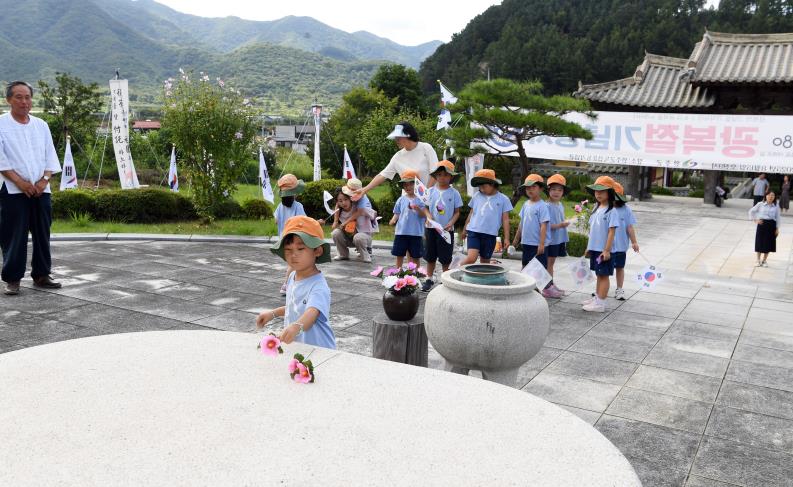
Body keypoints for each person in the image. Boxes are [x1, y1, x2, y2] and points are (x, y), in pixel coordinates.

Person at [0, 81, 62, 295]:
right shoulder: (1, 124)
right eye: (18, 97)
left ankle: (42, 274)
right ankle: (13, 279)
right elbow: (1, 159)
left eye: (27, 97)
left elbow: (50, 155)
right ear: (9, 99)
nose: (24, 101)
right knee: (13, 234)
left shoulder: (41, 125)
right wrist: (20, 182)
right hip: (12, 189)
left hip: (41, 189)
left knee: (42, 232)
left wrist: (44, 180)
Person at [256, 216, 336, 349]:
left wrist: (296, 326)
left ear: (317, 250)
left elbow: (311, 313)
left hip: (319, 348)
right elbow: (295, 307)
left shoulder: (318, 286)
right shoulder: (293, 276)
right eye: (288, 250)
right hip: (300, 347)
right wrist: (272, 313)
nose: (294, 255)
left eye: (300, 249)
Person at [355, 122, 438, 199]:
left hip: (431, 198)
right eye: (395, 137)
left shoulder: (426, 148)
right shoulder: (397, 157)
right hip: (409, 201)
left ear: (408, 135)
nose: (396, 140)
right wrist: (364, 189)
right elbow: (382, 175)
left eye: (398, 137)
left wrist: (425, 194)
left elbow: (435, 172)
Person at [422, 160, 463, 292]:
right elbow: (425, 208)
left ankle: (444, 279)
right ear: (435, 176)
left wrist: (451, 222)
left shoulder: (454, 193)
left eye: (445, 174)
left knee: (445, 257)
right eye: (439, 174)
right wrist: (428, 216)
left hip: (446, 230)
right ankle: (429, 278)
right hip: (431, 229)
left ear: (451, 177)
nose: (442, 177)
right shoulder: (429, 191)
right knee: (430, 255)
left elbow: (457, 212)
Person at [511, 174, 554, 297]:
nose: (530, 189)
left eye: (533, 186)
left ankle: (539, 291)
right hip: (527, 242)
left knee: (539, 267)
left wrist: (541, 243)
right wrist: (515, 240)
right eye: (527, 187)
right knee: (526, 264)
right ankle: (525, 288)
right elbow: (522, 223)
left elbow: (544, 226)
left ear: (540, 189)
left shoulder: (543, 206)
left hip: (538, 244)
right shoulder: (525, 204)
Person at [582, 176, 620, 313]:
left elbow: (611, 232)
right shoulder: (596, 209)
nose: (598, 194)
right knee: (599, 274)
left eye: (602, 191)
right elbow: (593, 231)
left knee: (603, 275)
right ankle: (597, 298)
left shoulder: (612, 211)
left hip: (605, 251)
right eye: (596, 191)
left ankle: (601, 303)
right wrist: (589, 247)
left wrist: (607, 250)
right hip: (596, 250)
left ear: (609, 193)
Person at [460, 169, 512, 265]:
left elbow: (505, 220)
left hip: (490, 234)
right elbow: (471, 214)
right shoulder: (477, 196)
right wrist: (464, 229)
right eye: (479, 186)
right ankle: (453, 271)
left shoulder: (503, 199)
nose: (481, 189)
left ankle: (480, 279)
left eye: (483, 186)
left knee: (485, 262)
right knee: (471, 258)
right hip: (474, 231)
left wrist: (507, 238)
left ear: (492, 184)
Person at [390, 169, 434, 268]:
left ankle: (415, 273)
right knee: (399, 254)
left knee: (415, 256)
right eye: (405, 185)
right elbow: (397, 212)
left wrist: (418, 209)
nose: (408, 187)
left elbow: (424, 215)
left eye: (411, 184)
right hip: (401, 232)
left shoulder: (420, 200)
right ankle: (398, 271)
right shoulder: (401, 199)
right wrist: (393, 219)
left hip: (416, 233)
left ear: (417, 185)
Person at [274, 174, 306, 295]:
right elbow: (303, 221)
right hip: (294, 239)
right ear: (295, 193)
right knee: (294, 263)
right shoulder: (298, 206)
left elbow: (276, 220)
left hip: (283, 239)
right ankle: (286, 284)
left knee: (294, 262)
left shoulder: (279, 206)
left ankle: (295, 283)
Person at [330, 188, 376, 263]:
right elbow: (337, 210)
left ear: (350, 198)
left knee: (358, 237)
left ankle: (365, 254)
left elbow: (362, 213)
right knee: (335, 233)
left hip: (363, 236)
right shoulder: (339, 210)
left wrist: (345, 223)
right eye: (340, 201)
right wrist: (335, 222)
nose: (343, 203)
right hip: (350, 236)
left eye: (346, 199)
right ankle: (343, 254)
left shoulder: (359, 207)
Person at [544, 174, 571, 298]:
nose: (556, 192)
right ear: (548, 190)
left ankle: (551, 284)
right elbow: (544, 226)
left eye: (560, 190)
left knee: (551, 263)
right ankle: (547, 287)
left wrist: (562, 224)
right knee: (548, 263)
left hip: (557, 239)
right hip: (549, 240)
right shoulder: (546, 206)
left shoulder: (559, 205)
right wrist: (560, 225)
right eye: (553, 189)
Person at [612, 182, 639, 301]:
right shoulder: (603, 208)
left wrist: (634, 242)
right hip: (605, 247)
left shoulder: (626, 209)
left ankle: (619, 288)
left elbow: (629, 227)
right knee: (602, 270)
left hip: (620, 246)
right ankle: (600, 288)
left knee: (619, 267)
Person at [749, 191, 781, 267]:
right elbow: (751, 211)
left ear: (774, 197)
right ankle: (758, 260)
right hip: (762, 225)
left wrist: (777, 228)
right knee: (759, 242)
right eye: (769, 195)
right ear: (766, 196)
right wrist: (755, 220)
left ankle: (764, 260)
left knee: (768, 244)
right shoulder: (760, 204)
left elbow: (778, 218)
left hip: (771, 226)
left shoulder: (776, 206)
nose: (771, 197)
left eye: (773, 195)